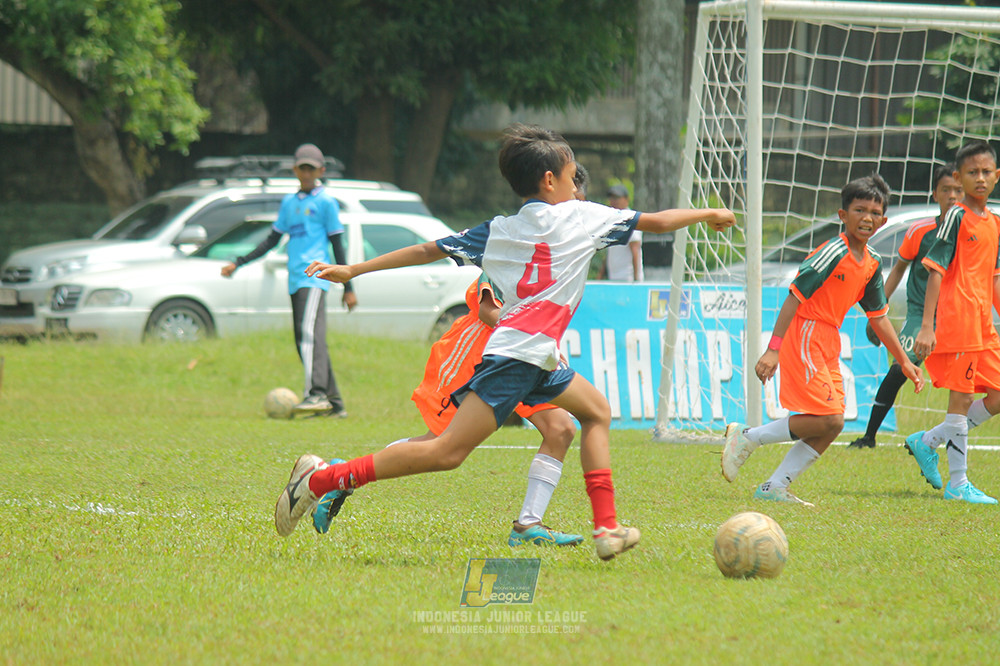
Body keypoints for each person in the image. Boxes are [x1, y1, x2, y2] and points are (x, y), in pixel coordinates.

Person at [274, 123, 736, 561]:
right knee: (445, 452)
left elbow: (427, 249)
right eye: (573, 176)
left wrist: (354, 270)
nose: (577, 186)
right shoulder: (583, 217)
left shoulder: (500, 229)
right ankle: (322, 480)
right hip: (518, 354)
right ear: (551, 180)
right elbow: (658, 222)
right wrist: (710, 213)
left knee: (595, 412)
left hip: (534, 354)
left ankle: (606, 529)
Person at [313, 273, 584, 546]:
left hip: (529, 357)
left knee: (560, 429)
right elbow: (488, 311)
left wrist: (543, 343)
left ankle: (528, 525)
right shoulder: (513, 255)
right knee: (439, 445)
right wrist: (535, 340)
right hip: (482, 355)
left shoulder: (561, 260)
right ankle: (344, 475)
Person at [721, 174, 924, 506]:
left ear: (883, 221)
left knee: (831, 425)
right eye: (860, 210)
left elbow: (879, 316)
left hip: (829, 339)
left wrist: (903, 361)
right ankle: (748, 437)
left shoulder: (872, 262)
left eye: (875, 213)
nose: (867, 218)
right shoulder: (832, 251)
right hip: (806, 332)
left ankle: (774, 487)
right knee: (830, 418)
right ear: (843, 215)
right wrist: (773, 349)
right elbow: (794, 297)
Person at [221, 143, 356, 417]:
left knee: (309, 337)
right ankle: (334, 404)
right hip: (295, 279)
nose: (306, 173)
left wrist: (348, 286)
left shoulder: (325, 203)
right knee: (304, 339)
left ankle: (316, 394)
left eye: (311, 169)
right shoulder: (289, 203)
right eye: (302, 168)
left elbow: (337, 244)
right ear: (295, 170)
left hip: (315, 277)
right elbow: (272, 240)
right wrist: (239, 262)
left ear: (321, 171)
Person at [903, 140, 1000, 504]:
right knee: (961, 398)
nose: (980, 178)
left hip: (983, 324)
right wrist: (927, 326)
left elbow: (994, 279)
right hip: (958, 320)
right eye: (972, 172)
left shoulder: (995, 222)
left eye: (986, 172)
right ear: (959, 178)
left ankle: (928, 441)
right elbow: (935, 269)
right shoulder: (956, 217)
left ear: (996, 176)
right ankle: (958, 484)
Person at [849, 164, 962, 449]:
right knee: (900, 370)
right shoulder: (921, 231)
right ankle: (869, 436)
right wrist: (879, 309)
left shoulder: (974, 232)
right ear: (935, 194)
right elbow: (899, 268)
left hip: (959, 316)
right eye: (946, 190)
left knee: (964, 385)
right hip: (920, 316)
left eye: (958, 190)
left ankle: (942, 442)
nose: (952, 196)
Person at [601, 184, 644, 281]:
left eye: (617, 197)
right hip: (614, 278)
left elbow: (635, 250)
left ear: (627, 199)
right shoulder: (613, 221)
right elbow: (610, 251)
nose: (613, 201)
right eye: (611, 198)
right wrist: (600, 275)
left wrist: (636, 280)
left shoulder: (631, 219)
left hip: (628, 278)